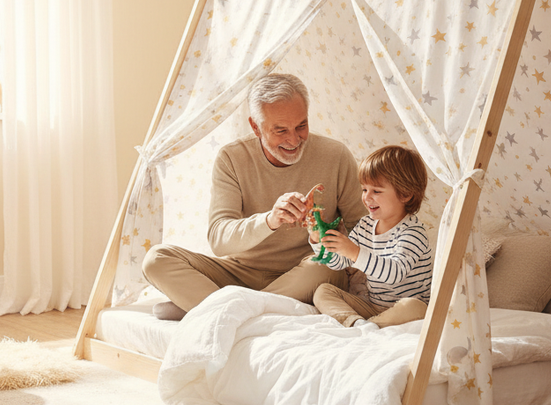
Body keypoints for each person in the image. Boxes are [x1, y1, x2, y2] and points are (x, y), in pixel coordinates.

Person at [142, 73, 367, 319]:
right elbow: (219, 240)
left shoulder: (336, 155)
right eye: (280, 130)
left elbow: (364, 229)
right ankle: (241, 309)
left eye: (301, 125)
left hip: (305, 273)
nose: (294, 139)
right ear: (255, 127)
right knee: (156, 259)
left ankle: (211, 309)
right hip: (240, 273)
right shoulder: (232, 158)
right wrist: (269, 220)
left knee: (327, 269)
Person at [311, 145, 433, 329]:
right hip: (374, 305)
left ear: (405, 194)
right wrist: (319, 240)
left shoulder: (413, 233)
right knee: (323, 291)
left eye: (376, 191)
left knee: (414, 306)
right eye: (364, 189)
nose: (367, 198)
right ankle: (357, 324)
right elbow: (338, 263)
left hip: (407, 308)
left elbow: (394, 274)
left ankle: (372, 326)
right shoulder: (366, 225)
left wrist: (354, 252)